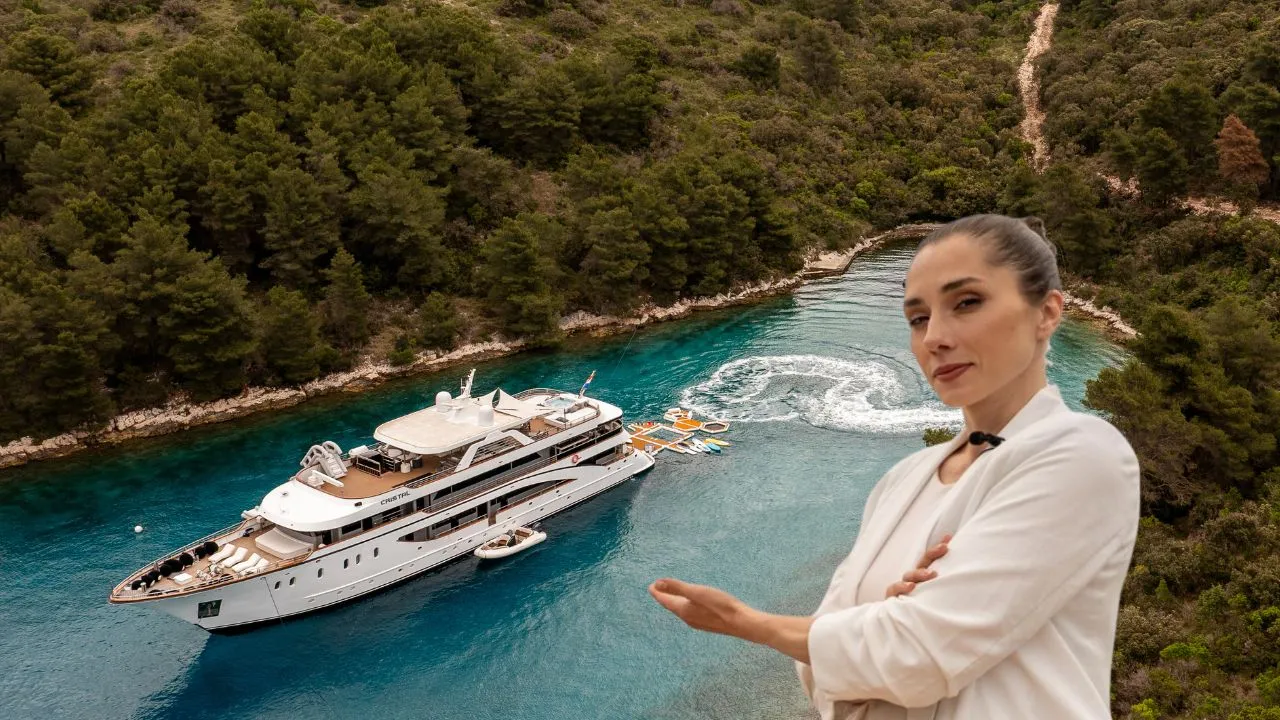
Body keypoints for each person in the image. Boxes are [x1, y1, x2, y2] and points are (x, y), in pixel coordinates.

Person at [649, 214, 1141, 719]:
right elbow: (820, 676)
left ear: (1047, 312)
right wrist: (880, 630)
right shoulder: (902, 480)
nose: (935, 338)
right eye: (918, 318)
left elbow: (917, 655)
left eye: (967, 303)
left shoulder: (1082, 454)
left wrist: (748, 622)